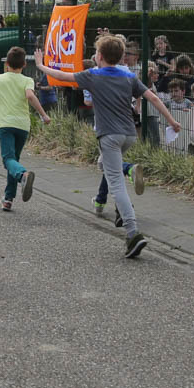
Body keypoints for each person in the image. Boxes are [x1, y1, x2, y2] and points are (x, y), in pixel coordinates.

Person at [75, 35, 181, 259]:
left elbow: (61, 76)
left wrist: (41, 65)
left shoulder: (93, 75)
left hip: (109, 135)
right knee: (103, 164)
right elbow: (153, 98)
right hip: (129, 134)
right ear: (122, 56)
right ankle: (128, 170)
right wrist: (172, 121)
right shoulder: (128, 75)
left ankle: (132, 232)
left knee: (116, 184)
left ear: (99, 56)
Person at [0, 46, 50, 212]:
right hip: (22, 125)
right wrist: (43, 115)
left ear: (7, 63)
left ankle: (23, 175)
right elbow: (30, 96)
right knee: (13, 160)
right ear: (24, 64)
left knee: (8, 160)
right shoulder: (27, 80)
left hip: (5, 124)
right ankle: (8, 198)